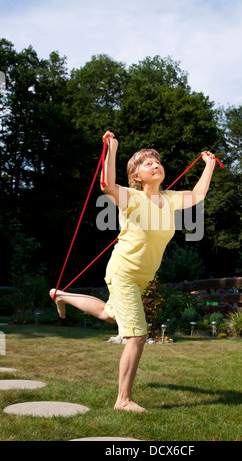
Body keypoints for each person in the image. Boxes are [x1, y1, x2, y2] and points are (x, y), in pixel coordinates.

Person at [50, 131, 216, 412]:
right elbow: (106, 185)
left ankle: (61, 296)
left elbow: (198, 195)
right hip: (124, 272)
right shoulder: (131, 197)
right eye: (148, 163)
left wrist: (209, 165)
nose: (156, 165)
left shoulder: (171, 199)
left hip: (141, 278)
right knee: (137, 335)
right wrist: (111, 149)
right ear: (136, 175)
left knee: (108, 313)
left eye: (157, 162)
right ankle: (123, 400)